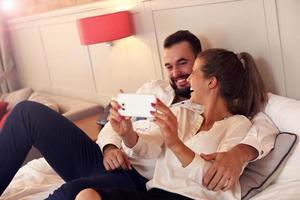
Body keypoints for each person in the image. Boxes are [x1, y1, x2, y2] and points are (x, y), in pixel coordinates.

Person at [0, 31, 276, 199]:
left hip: (134, 179)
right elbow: (118, 122)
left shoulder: (226, 118)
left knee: (75, 193)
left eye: (184, 64)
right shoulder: (157, 93)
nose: (177, 73)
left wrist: (241, 153)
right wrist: (117, 140)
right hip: (113, 160)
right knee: (26, 113)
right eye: (169, 65)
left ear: (205, 70)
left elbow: (261, 126)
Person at [76, 48, 269, 200]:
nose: (189, 79)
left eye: (193, 72)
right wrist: (128, 134)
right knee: (86, 195)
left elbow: (214, 180)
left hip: (196, 198)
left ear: (211, 82)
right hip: (154, 193)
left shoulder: (238, 124)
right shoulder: (182, 113)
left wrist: (176, 143)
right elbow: (149, 148)